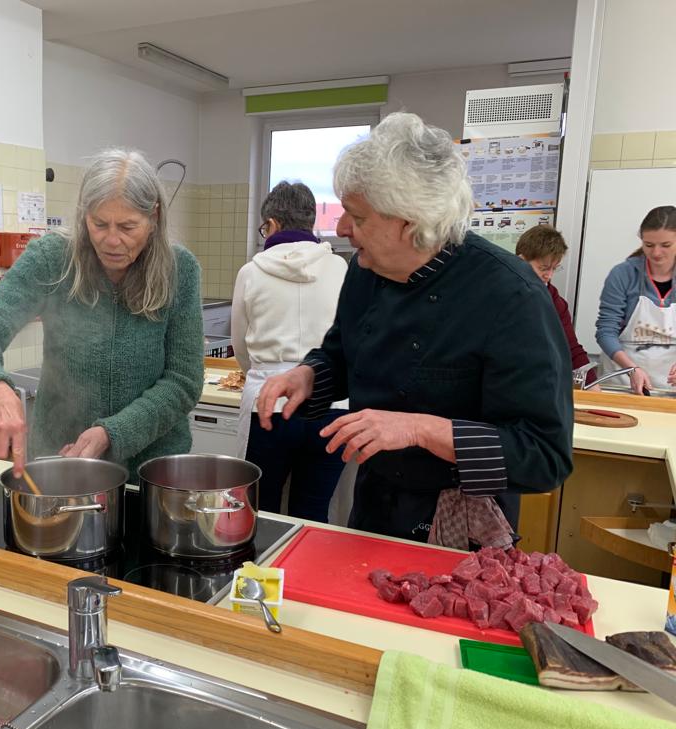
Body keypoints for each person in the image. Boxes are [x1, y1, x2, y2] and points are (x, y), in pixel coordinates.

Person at [257, 112, 573, 549]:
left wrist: (421, 429)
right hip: (375, 506)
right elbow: (341, 354)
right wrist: (309, 375)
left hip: (463, 524)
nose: (342, 229)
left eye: (356, 216)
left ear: (409, 222)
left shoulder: (511, 296)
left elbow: (544, 456)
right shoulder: (366, 271)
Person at [0, 148, 203, 478]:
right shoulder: (52, 258)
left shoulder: (179, 269)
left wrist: (114, 433)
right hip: (59, 462)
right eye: (99, 223)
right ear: (84, 215)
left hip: (151, 472)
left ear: (153, 217)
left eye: (128, 226)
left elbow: (183, 382)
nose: (111, 240)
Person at [231, 181, 348, 522]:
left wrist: (265, 373)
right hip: (331, 405)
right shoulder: (340, 267)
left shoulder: (252, 271)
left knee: (261, 512)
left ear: (273, 224)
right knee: (313, 514)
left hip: (269, 403)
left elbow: (240, 344)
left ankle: (259, 575)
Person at [595, 205, 676, 395]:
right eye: (648, 245)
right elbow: (606, 331)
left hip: (670, 386)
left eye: (665, 245)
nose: (656, 253)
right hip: (622, 380)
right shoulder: (623, 274)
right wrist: (631, 369)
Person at [515, 225, 597, 386]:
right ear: (521, 261)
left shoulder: (556, 302)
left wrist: (592, 385)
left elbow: (571, 348)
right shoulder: (500, 294)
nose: (549, 275)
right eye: (543, 268)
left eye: (554, 268)